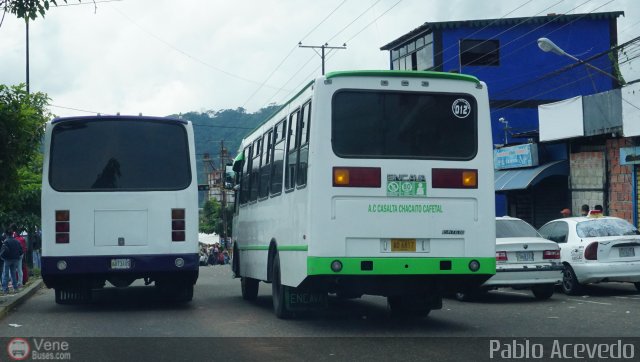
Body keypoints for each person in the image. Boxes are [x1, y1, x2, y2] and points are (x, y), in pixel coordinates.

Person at [1, 226, 24, 294]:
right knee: (13, 274)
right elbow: (21, 251)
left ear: (7, 234)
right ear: (12, 234)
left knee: (6, 274)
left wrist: (3, 257)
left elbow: (3, 251)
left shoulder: (6, 241)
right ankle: (15, 288)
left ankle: (5, 289)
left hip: (7, 260)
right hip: (15, 259)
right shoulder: (17, 241)